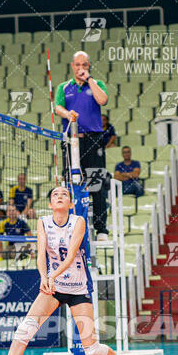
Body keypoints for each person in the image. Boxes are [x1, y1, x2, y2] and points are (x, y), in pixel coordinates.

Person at [0, 185, 133, 355]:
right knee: (26, 328)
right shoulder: (43, 222)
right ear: (51, 204)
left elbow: (70, 256)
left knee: (92, 350)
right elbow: (41, 253)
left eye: (64, 194)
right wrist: (44, 277)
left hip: (78, 287)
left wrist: (51, 275)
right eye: (55, 194)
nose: (59, 196)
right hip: (55, 286)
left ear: (71, 204)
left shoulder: (78, 222)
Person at [55, 50, 109, 241]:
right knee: (70, 183)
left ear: (89, 66)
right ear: (72, 66)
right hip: (71, 140)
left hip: (93, 139)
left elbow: (103, 100)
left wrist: (90, 80)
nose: (80, 69)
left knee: (97, 182)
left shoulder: (97, 84)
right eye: (77, 65)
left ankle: (102, 229)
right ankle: (70, 227)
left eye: (84, 65)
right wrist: (68, 114)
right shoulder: (64, 87)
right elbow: (57, 108)